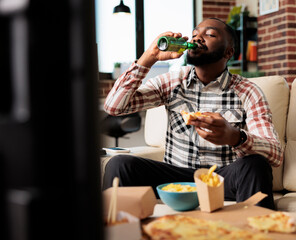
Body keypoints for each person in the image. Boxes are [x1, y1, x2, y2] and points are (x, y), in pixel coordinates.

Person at [102, 18, 283, 209]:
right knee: (119, 165)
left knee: (255, 164)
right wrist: (149, 56)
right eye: (195, 34)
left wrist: (235, 137)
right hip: (176, 177)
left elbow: (274, 154)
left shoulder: (248, 91)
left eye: (210, 34)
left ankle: (258, 232)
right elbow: (114, 107)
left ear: (228, 52)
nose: (198, 39)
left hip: (221, 179)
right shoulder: (171, 81)